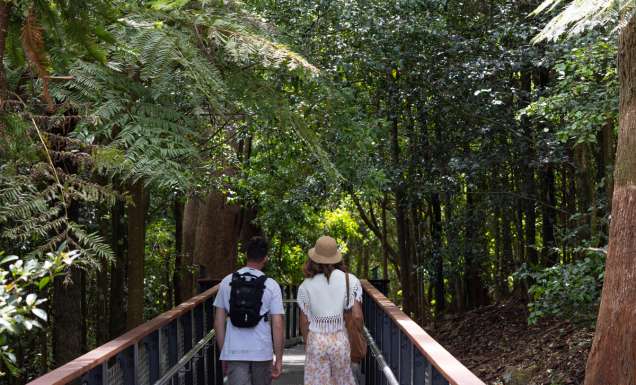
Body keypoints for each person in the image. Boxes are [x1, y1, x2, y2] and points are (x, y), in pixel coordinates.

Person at [214, 236, 285, 385]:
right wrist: (278, 358)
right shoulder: (271, 285)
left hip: (234, 352)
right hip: (262, 352)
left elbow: (219, 322)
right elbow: (278, 324)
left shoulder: (227, 282)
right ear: (265, 258)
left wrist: (224, 353)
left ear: (246, 255)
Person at [297, 235, 364, 385]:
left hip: (316, 340)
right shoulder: (350, 280)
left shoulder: (305, 286)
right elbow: (358, 316)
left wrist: (308, 342)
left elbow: (304, 321)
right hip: (340, 340)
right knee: (342, 381)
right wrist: (358, 334)